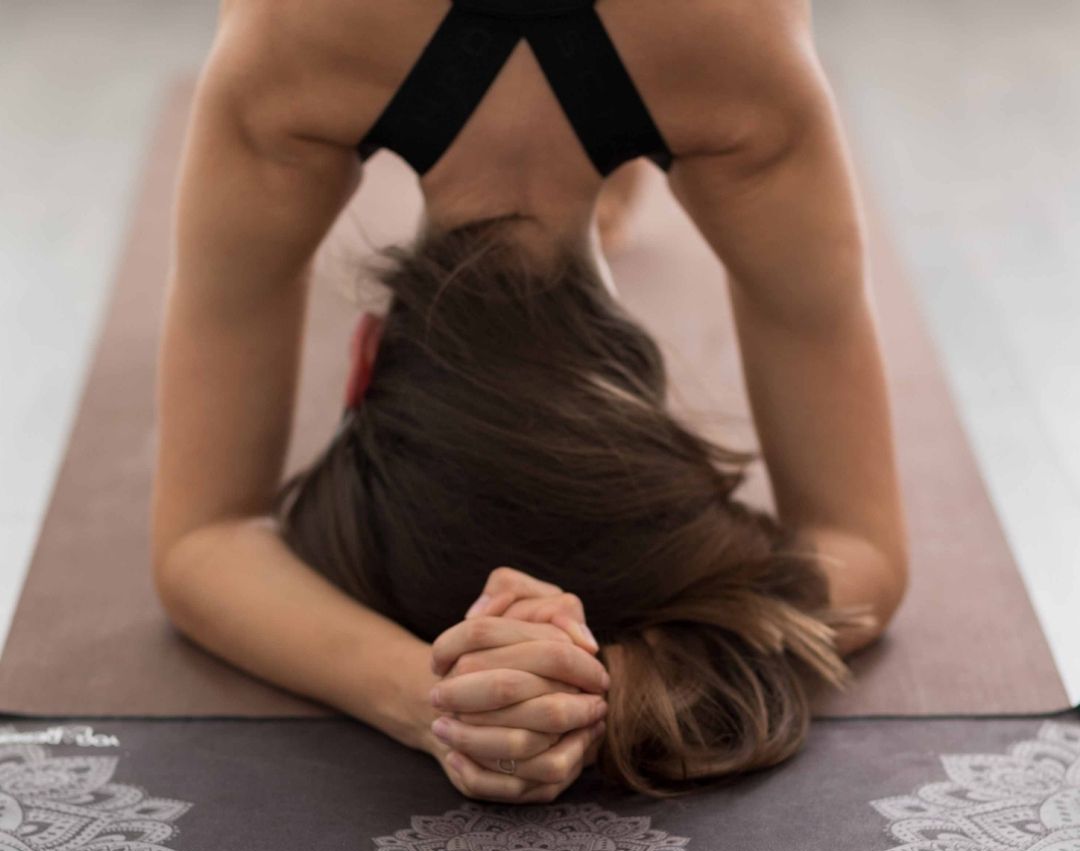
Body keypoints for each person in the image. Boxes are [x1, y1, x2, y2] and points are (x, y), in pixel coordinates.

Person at [151, 0, 910, 804]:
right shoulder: (733, 50)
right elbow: (197, 550)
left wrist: (466, 701)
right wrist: (504, 697)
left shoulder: (291, 42)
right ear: (365, 358)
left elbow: (203, 542)